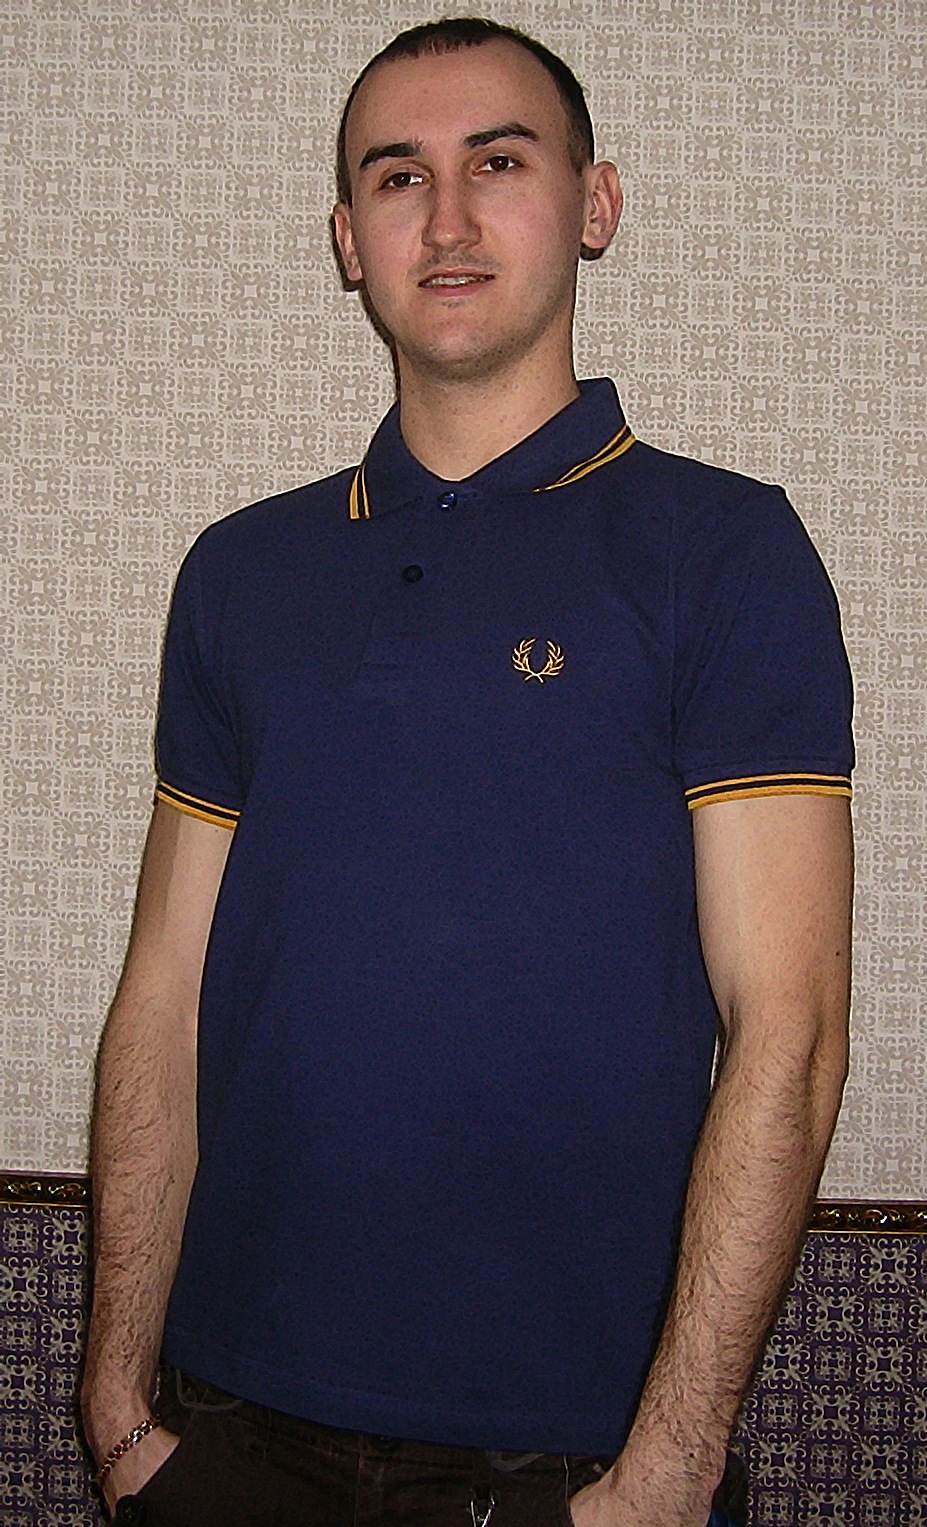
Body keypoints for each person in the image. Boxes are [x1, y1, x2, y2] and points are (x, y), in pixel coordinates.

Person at [80, 17, 854, 1527]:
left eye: (498, 163)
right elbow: (161, 995)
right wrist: (116, 1406)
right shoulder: (238, 573)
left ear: (594, 203)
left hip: (574, 1461)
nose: (445, 219)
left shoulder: (724, 554)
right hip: (225, 1430)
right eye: (397, 176)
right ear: (347, 240)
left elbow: (795, 1031)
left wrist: (666, 1473)